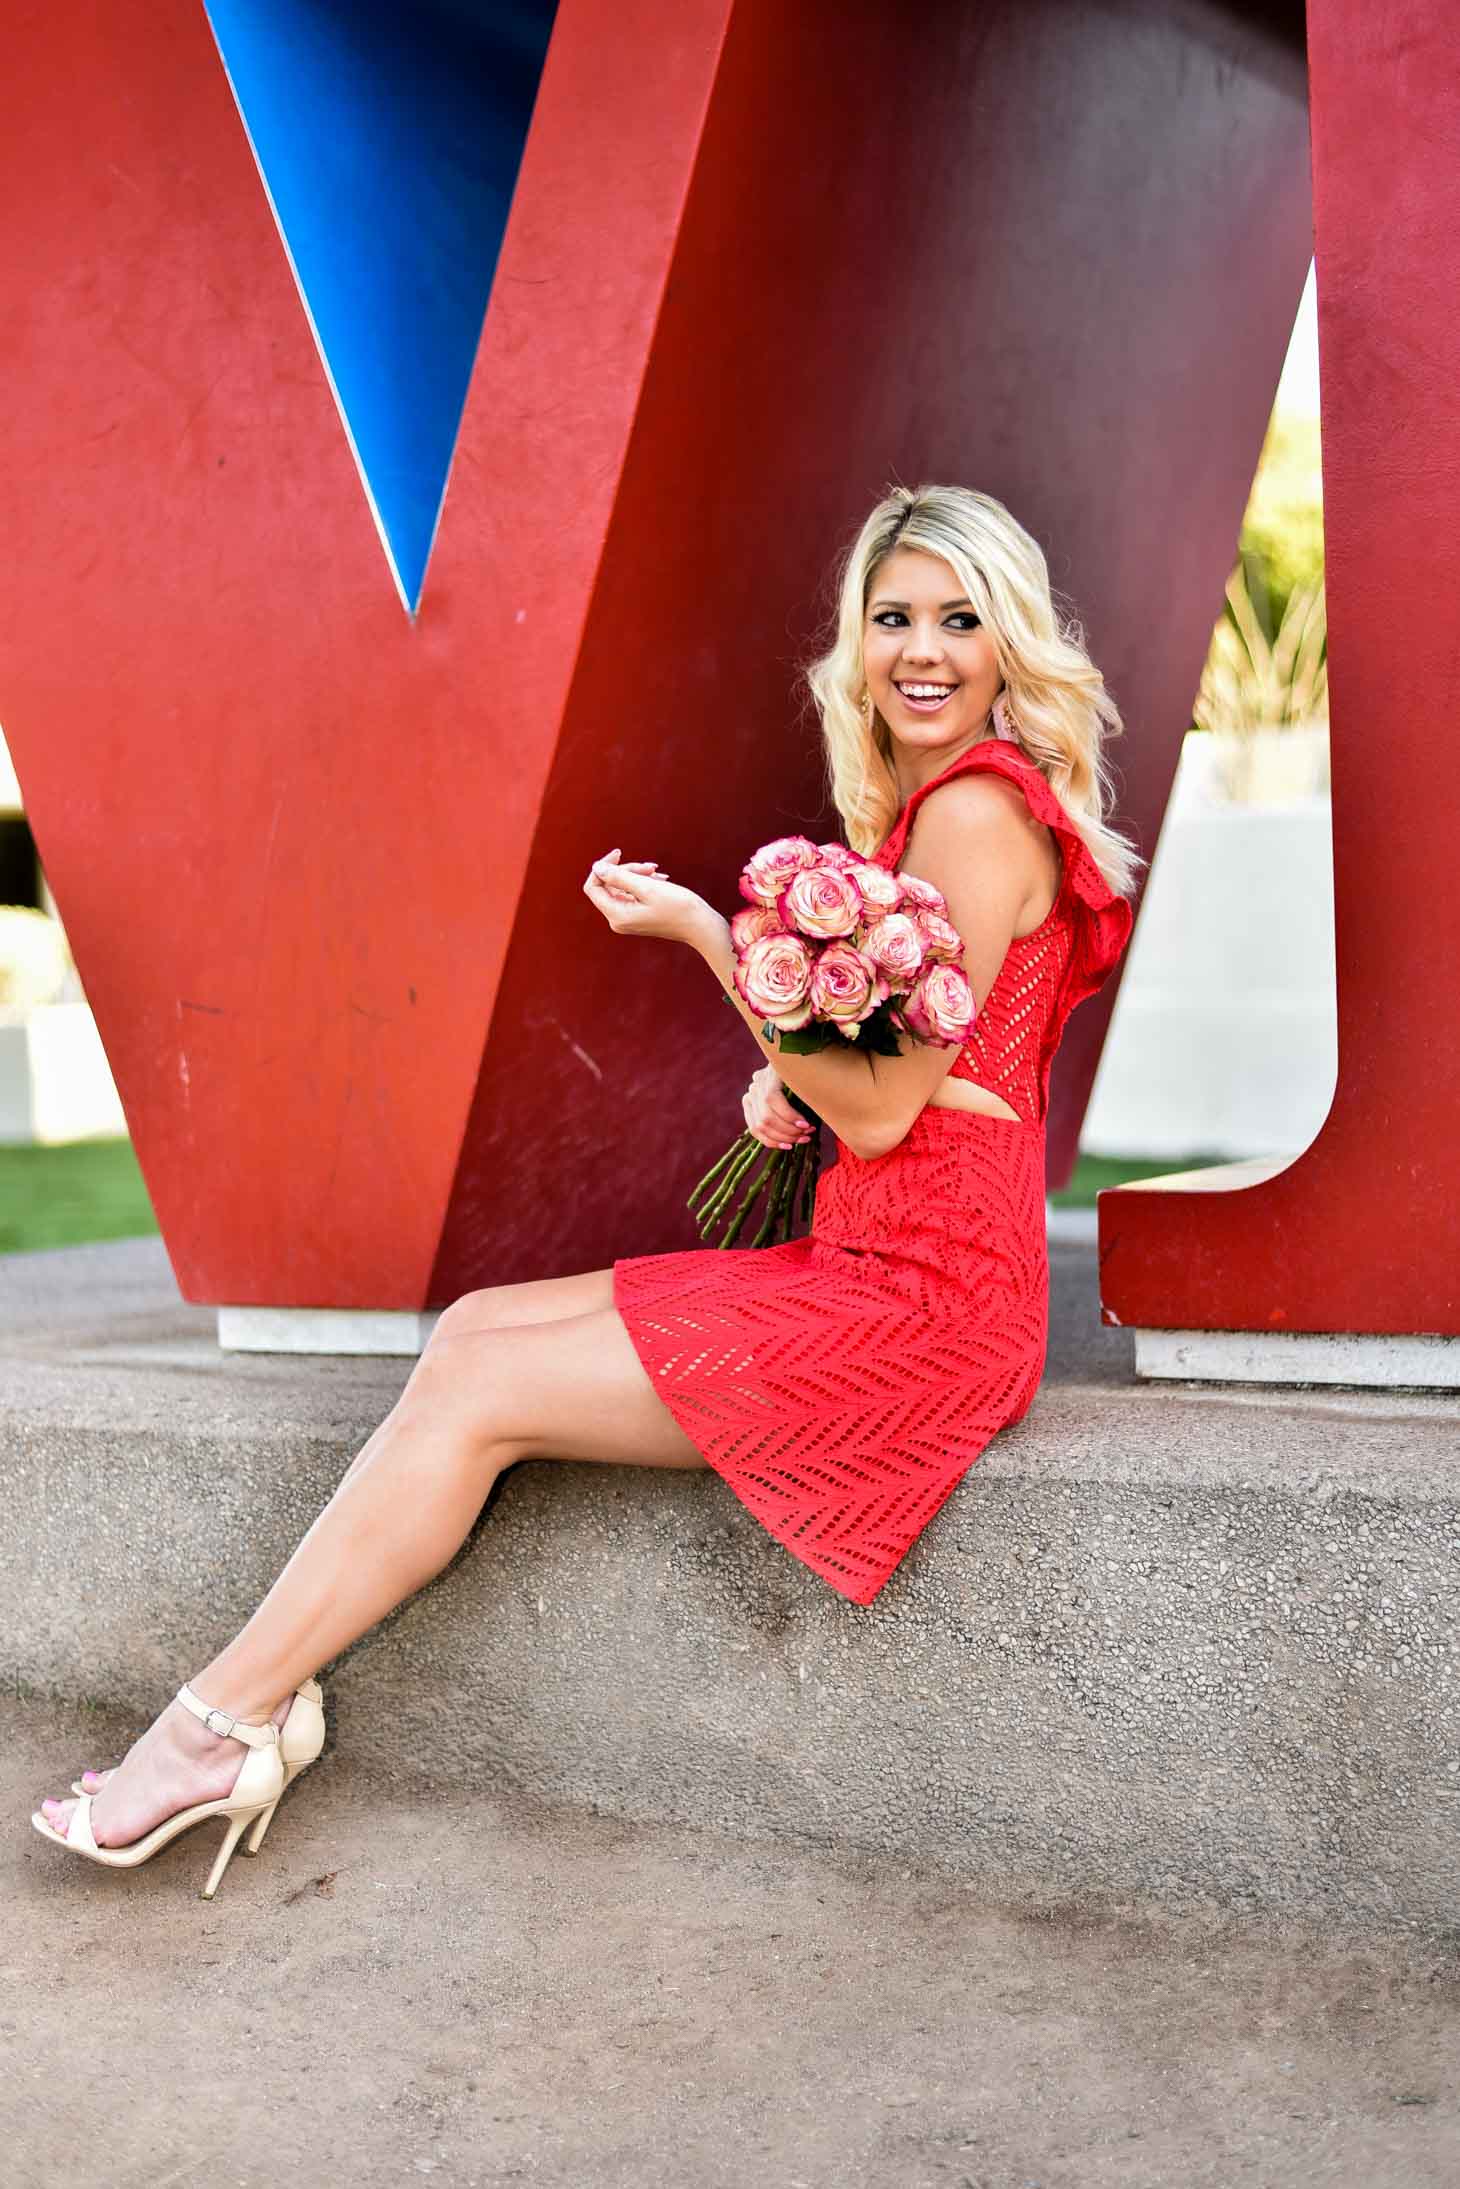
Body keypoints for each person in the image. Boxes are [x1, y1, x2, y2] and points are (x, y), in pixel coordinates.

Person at [30, 482, 1142, 1895]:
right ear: (855, 641)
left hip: (923, 1309)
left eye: (959, 618)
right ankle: (244, 1706)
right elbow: (923, 1074)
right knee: (478, 1329)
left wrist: (705, 939)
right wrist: (795, 1074)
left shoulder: (975, 814)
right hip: (879, 1262)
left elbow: (882, 1113)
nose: (923, 649)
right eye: (893, 616)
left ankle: (219, 1724)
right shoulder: (945, 806)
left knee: (483, 1390)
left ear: (1010, 640)